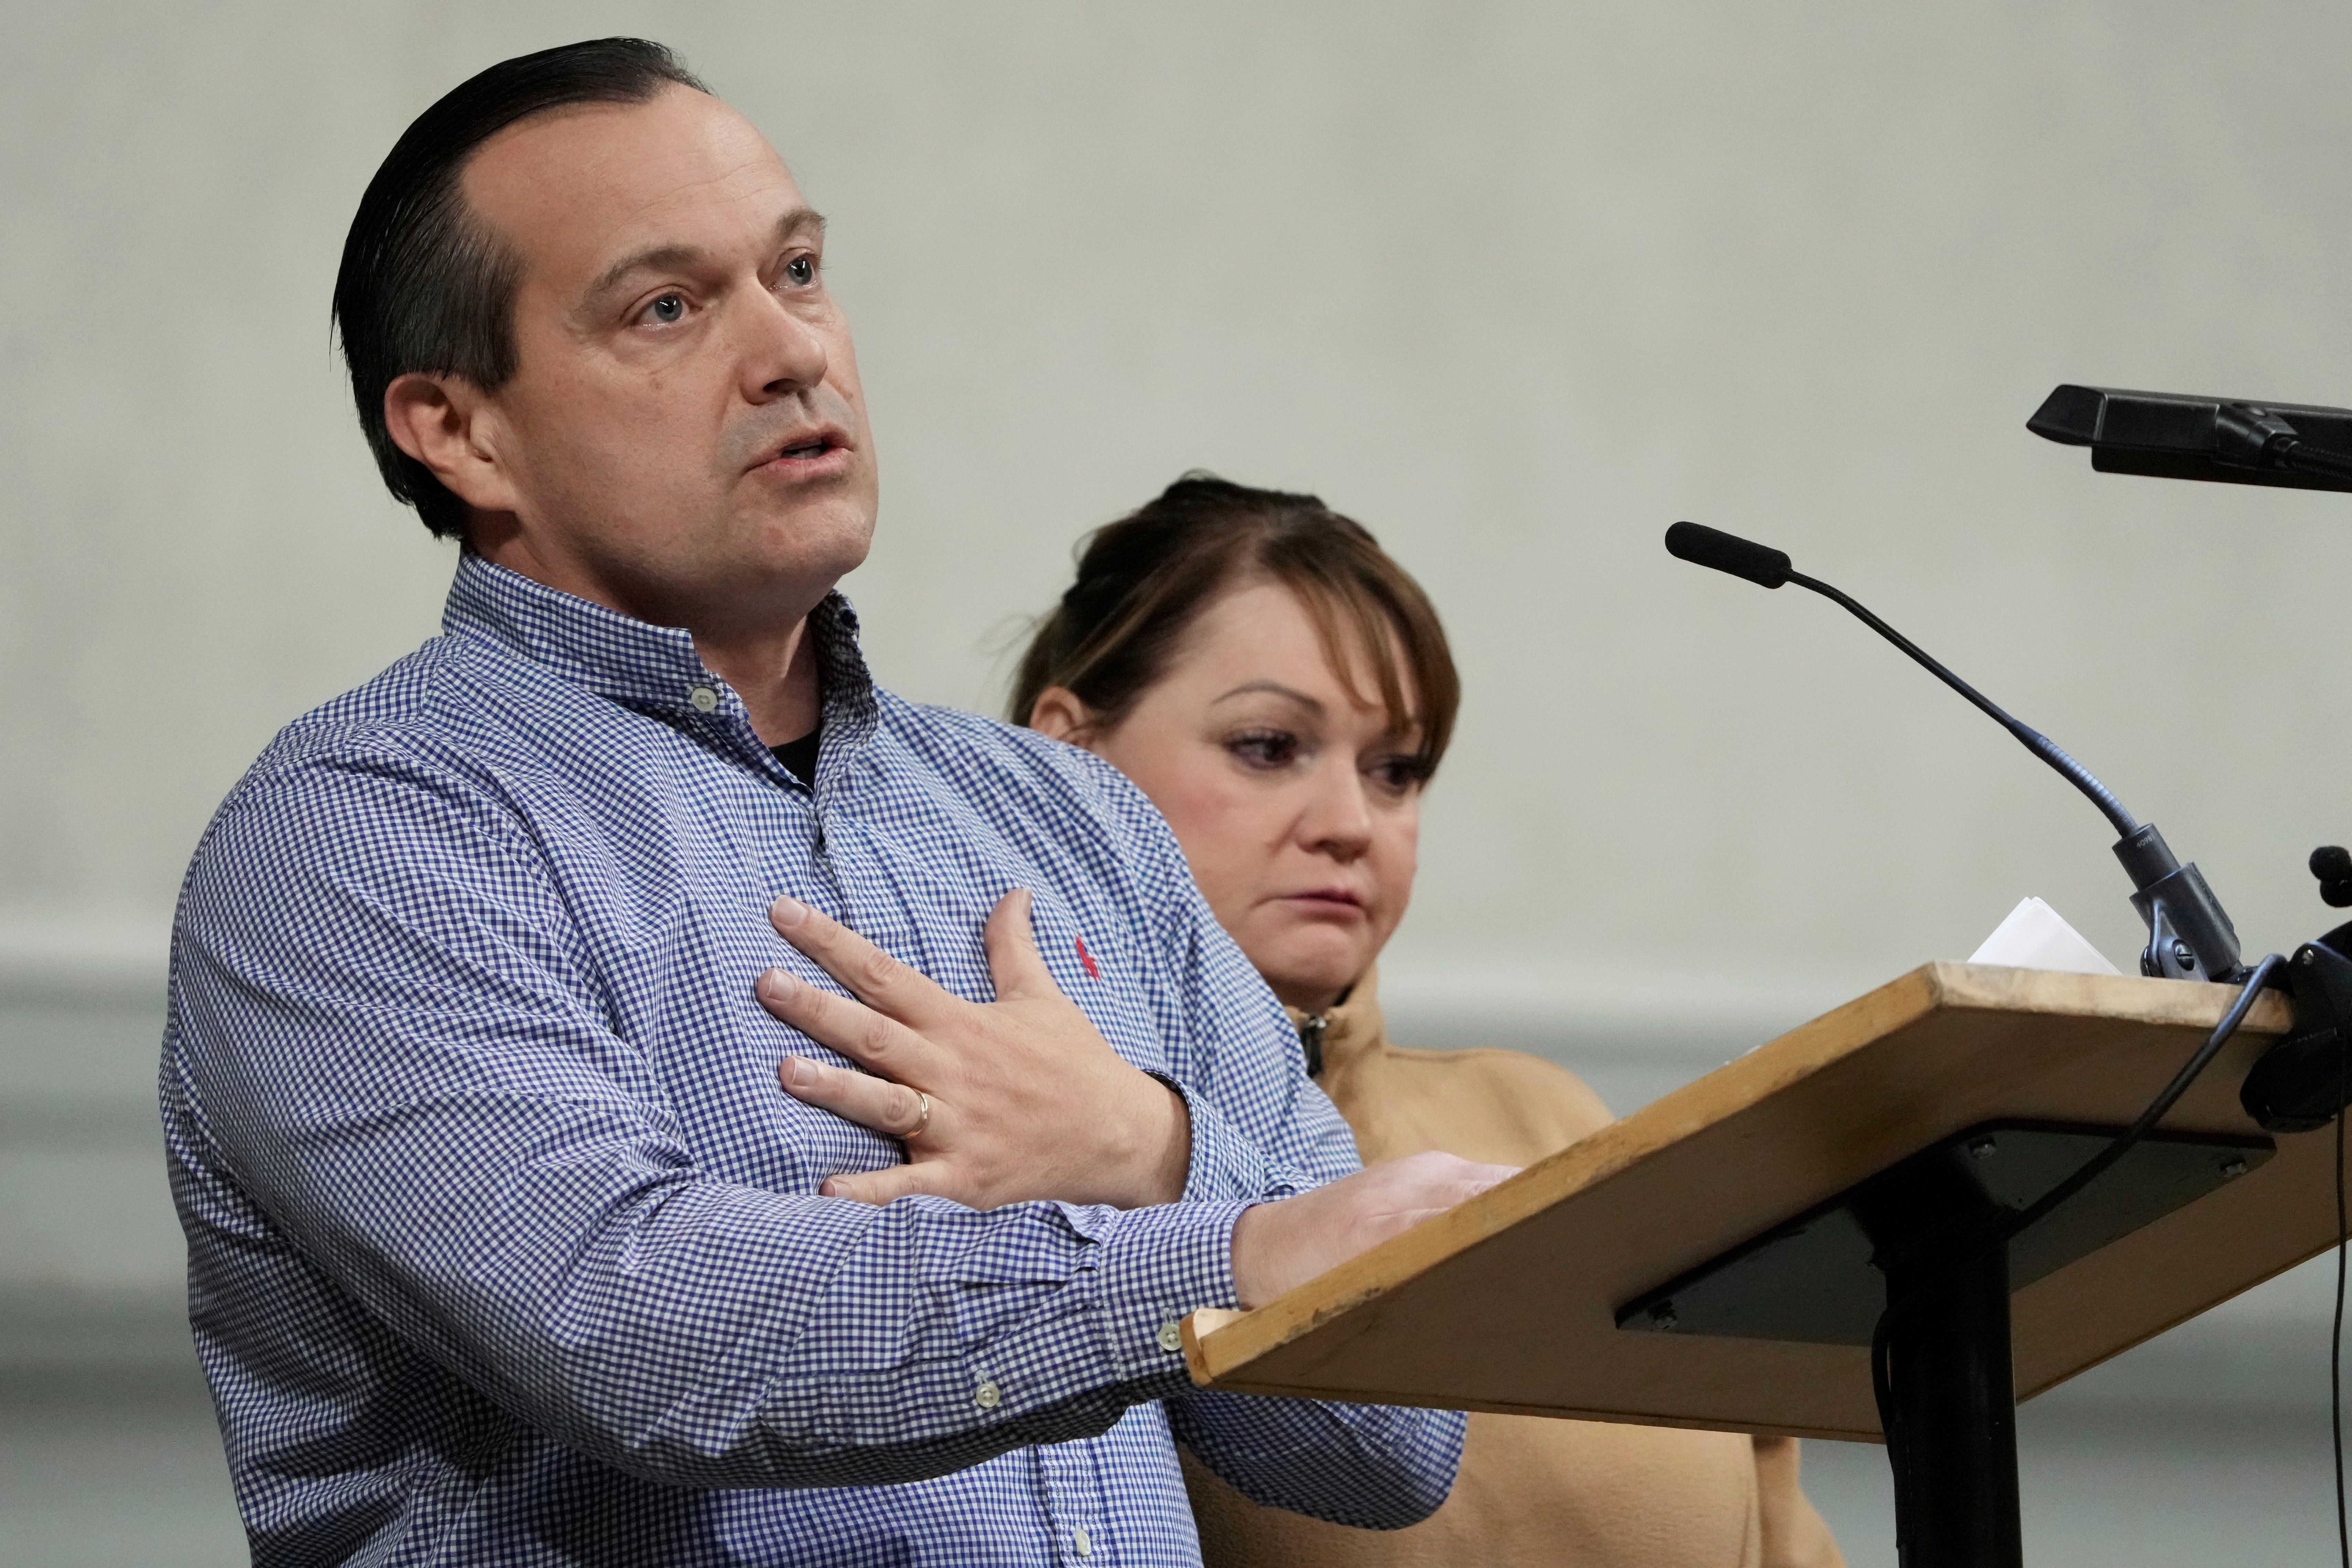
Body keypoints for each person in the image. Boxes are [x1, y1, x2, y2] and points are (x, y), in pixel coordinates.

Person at [162, 40, 1506, 1567]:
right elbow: (643, 1327)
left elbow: (1393, 1443)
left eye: (797, 271)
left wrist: (1157, 1154)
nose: (793, 353)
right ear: (461, 431)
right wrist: (1235, 1251)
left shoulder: (1067, 818)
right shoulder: (362, 837)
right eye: (668, 307)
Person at [1016, 474, 1846, 1568]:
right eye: (1269, 746)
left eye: (1396, 770)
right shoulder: (1005, 1153)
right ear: (1069, 757)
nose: (1352, 823)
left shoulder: (1546, 1117)